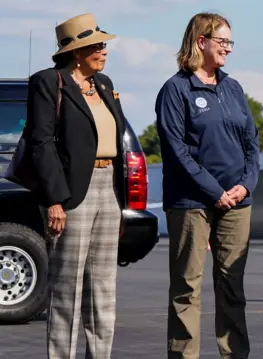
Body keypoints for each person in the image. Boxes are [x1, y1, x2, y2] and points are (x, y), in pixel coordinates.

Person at [155, 12, 260, 359]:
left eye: (231, 42)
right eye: (223, 41)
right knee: (187, 288)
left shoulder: (232, 87)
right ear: (202, 42)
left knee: (232, 288)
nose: (229, 49)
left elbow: (251, 144)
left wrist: (245, 186)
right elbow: (176, 151)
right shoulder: (175, 89)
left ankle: (235, 354)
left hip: (237, 203)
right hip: (191, 203)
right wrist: (215, 191)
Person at [27, 13, 123, 359]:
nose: (103, 51)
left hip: (108, 189)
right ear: (77, 51)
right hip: (71, 194)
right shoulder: (48, 82)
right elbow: (41, 144)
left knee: (103, 292)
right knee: (67, 291)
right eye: (97, 45)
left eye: (103, 44)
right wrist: (55, 201)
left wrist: (121, 201)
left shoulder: (105, 83)